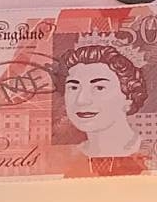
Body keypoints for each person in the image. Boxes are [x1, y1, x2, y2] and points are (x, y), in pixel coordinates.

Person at [59, 42, 148, 172]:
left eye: (99, 88)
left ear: (129, 96)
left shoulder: (153, 155)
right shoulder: (64, 158)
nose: (81, 100)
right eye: (73, 87)